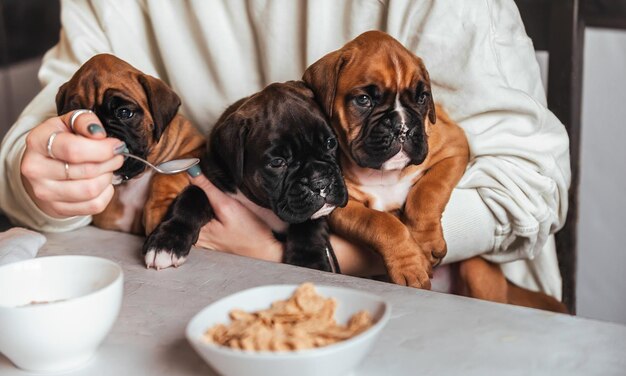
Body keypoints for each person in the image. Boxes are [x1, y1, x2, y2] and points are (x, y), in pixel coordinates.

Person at [0, 0, 570, 300]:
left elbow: (534, 182)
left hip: (465, 301)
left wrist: (329, 258)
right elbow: (32, 151)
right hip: (194, 290)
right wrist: (41, 181)